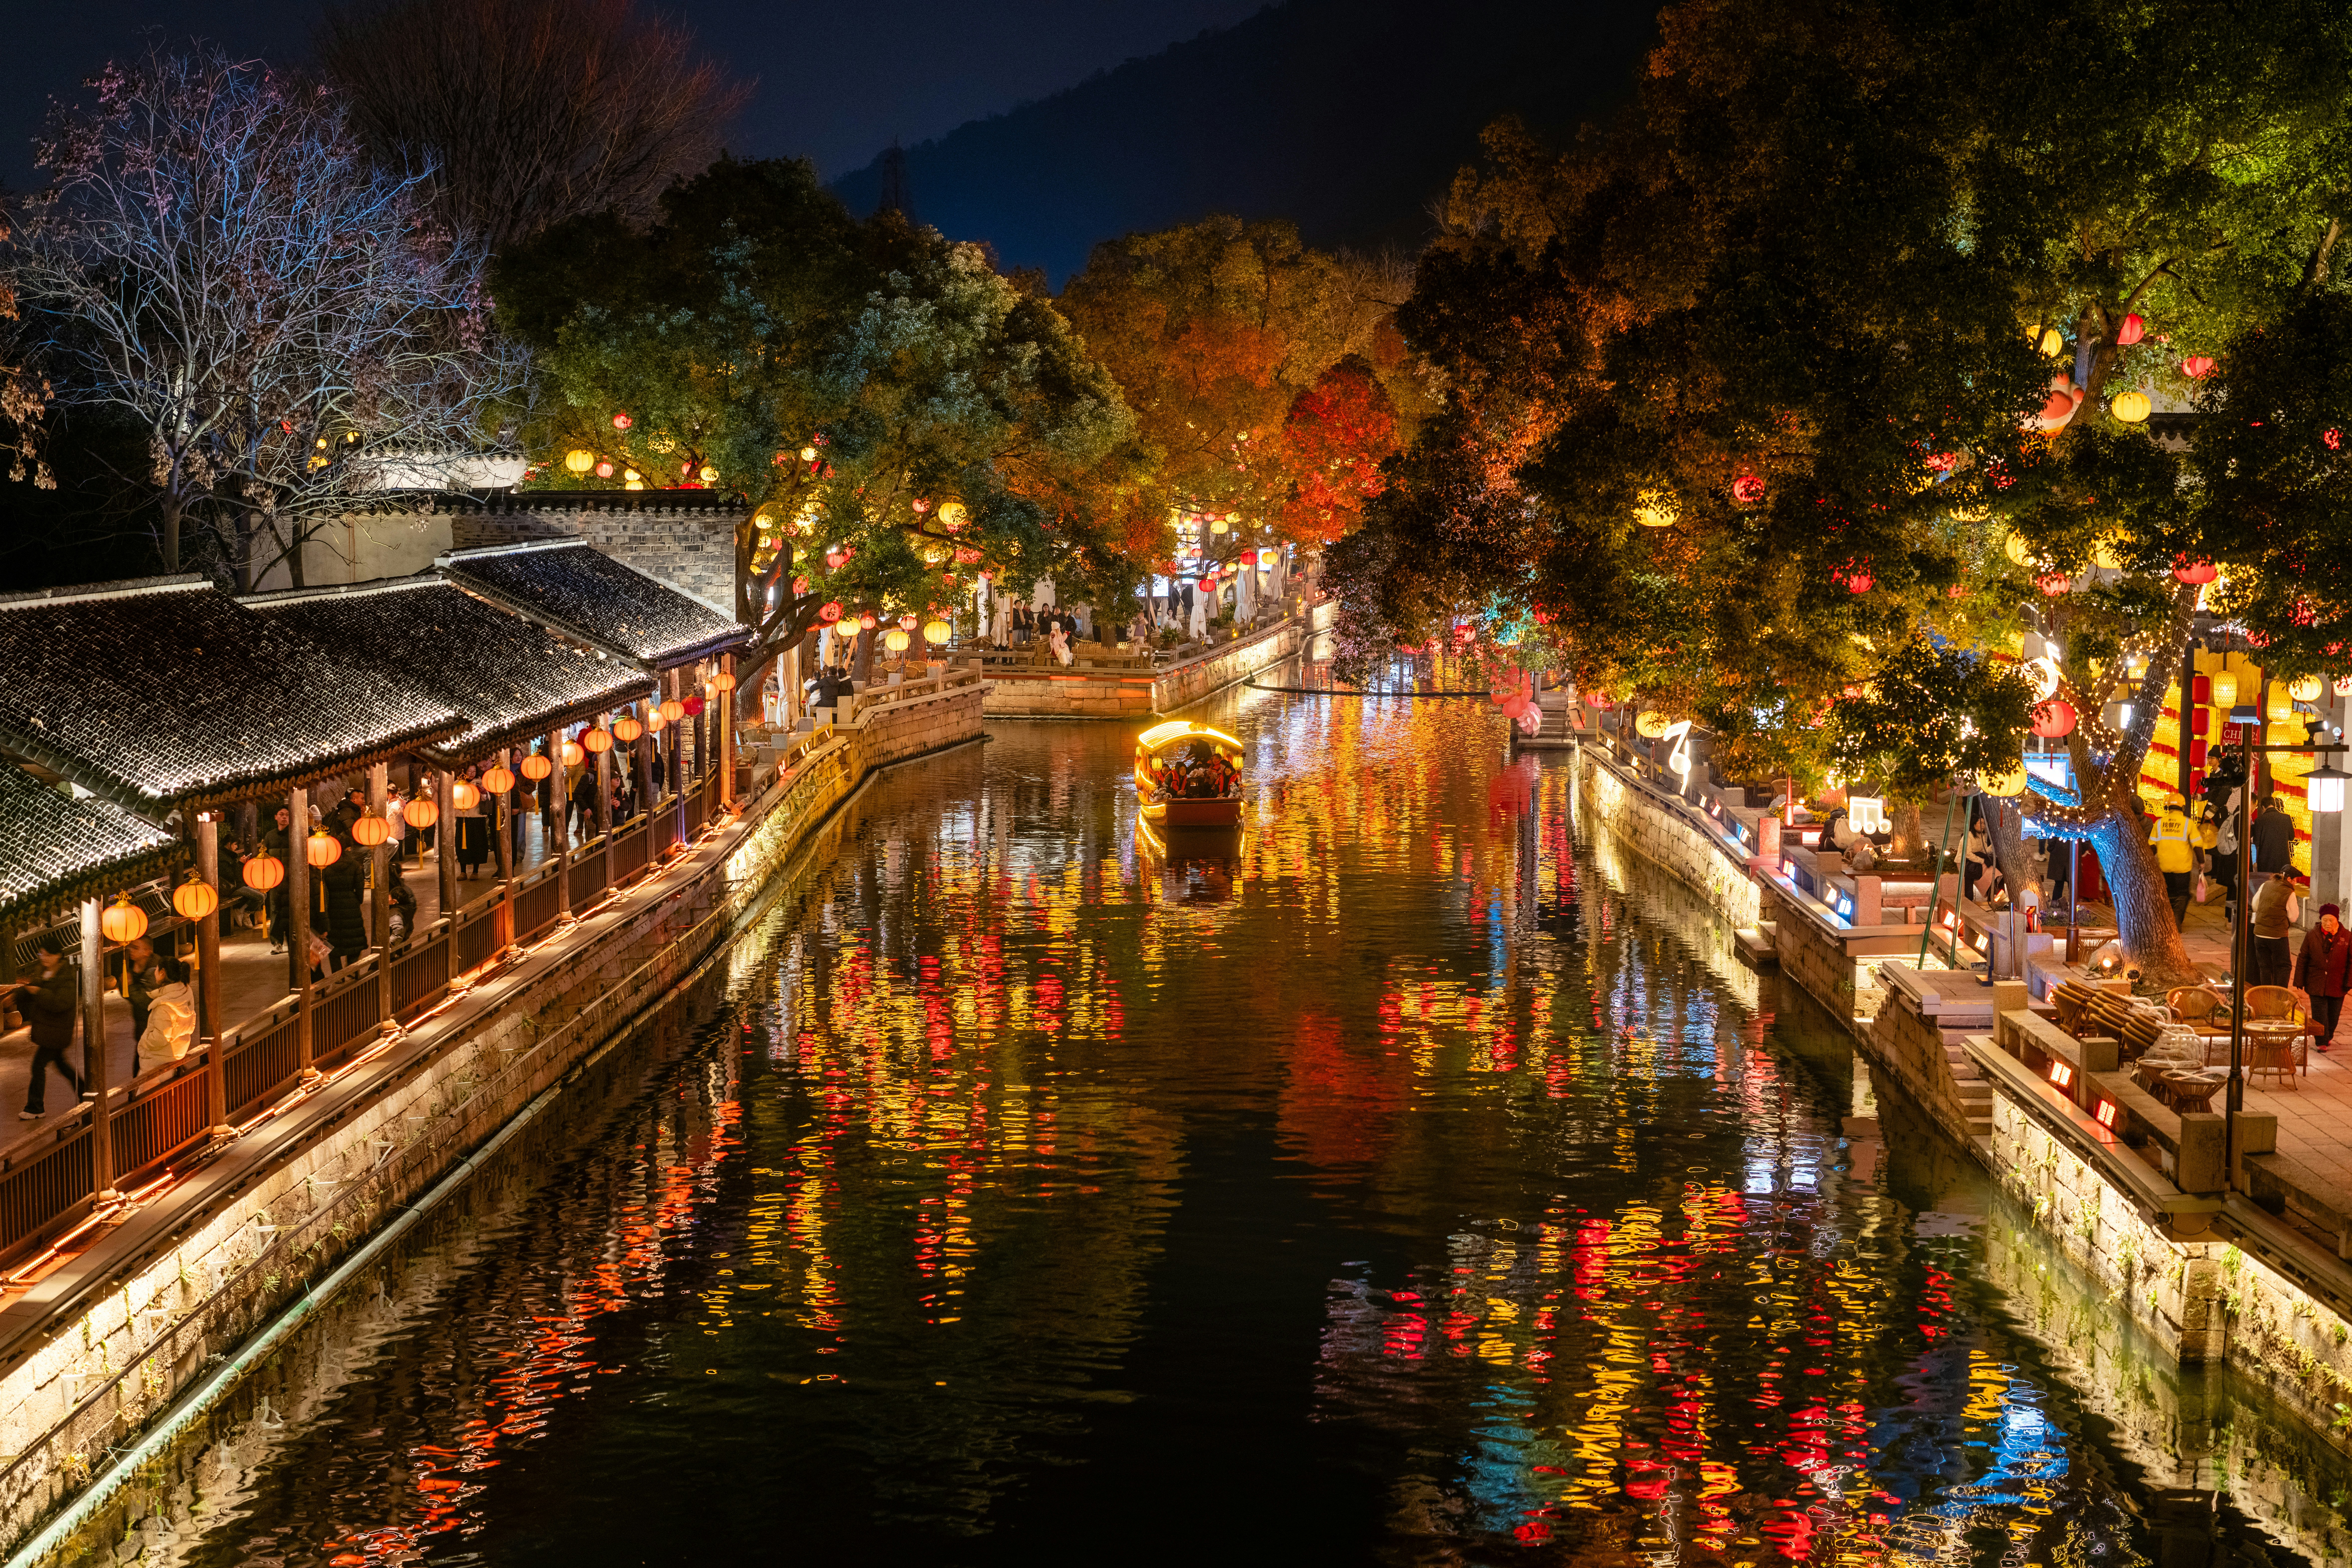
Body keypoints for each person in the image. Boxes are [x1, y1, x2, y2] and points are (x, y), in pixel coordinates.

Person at [14, 939, 82, 1118]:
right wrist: (18, 995)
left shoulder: (67, 976)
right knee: (63, 1067)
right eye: (41, 954)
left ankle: (35, 1108)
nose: (43, 958)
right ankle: (86, 1092)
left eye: (48, 955)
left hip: (58, 1030)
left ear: (59, 956)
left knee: (38, 1066)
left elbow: (61, 1003)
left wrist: (39, 993)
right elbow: (31, 991)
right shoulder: (43, 972)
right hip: (48, 1029)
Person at [2294, 903, 2351, 1052]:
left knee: (2333, 1016)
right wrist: (2299, 979)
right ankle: (2321, 1041)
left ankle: (2328, 1036)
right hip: (2316, 981)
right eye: (2325, 920)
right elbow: (2303, 958)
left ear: (2337, 920)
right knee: (2320, 1014)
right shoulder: (2312, 935)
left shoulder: (2347, 936)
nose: (2327, 924)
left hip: (2338, 983)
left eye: (2331, 920)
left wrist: (2349, 982)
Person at [135, 955, 196, 1073]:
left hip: (158, 1061)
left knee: (146, 1091)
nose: (155, 972)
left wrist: (145, 1041)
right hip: (178, 1053)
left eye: (157, 969)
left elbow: (161, 1037)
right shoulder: (186, 992)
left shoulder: (164, 1006)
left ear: (163, 972)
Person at [321, 835, 368, 969]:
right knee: (354, 941)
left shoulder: (327, 866)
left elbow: (323, 889)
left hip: (332, 907)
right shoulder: (355, 865)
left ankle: (338, 974)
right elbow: (360, 888)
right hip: (351, 904)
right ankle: (352, 969)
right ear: (349, 848)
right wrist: (357, 901)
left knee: (334, 942)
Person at [2253, 868, 2304, 989]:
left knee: (2265, 967)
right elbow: (2293, 918)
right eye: (2295, 880)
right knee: (2283, 966)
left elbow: (2255, 906)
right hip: (2277, 937)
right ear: (2289, 879)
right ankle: (2280, 996)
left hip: (2259, 935)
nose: (2296, 883)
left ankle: (2265, 995)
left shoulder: (2266, 885)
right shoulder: (2289, 893)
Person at [2151, 796, 2197, 926]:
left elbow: (2152, 846)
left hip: (2164, 867)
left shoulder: (2159, 823)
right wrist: (2202, 862)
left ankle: (2168, 923)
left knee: (2169, 893)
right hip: (2182, 868)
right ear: (2183, 808)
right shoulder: (2188, 823)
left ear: (2168, 807)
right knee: (2183, 894)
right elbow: (2198, 845)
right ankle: (2177, 921)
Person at [259, 803, 295, 953]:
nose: (285, 817)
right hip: (276, 882)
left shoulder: (295, 834)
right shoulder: (270, 836)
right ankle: (277, 943)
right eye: (282, 814)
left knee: (293, 911)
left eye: (287, 815)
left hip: (293, 881)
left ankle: (294, 941)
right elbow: (263, 858)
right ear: (276, 817)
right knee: (276, 911)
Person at [122, 934, 157, 1042]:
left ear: (148, 952)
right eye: (131, 947)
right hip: (142, 1024)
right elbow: (127, 995)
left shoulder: (156, 972)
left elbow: (145, 1001)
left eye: (136, 948)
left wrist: (130, 986)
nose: (131, 951)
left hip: (153, 1027)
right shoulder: (135, 967)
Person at [2253, 794, 2297, 879]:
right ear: (2274, 805)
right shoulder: (2287, 818)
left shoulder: (2259, 821)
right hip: (2283, 860)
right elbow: (2292, 837)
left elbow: (2257, 842)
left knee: (2268, 884)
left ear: (2263, 807)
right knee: (2281, 884)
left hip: (2266, 861)